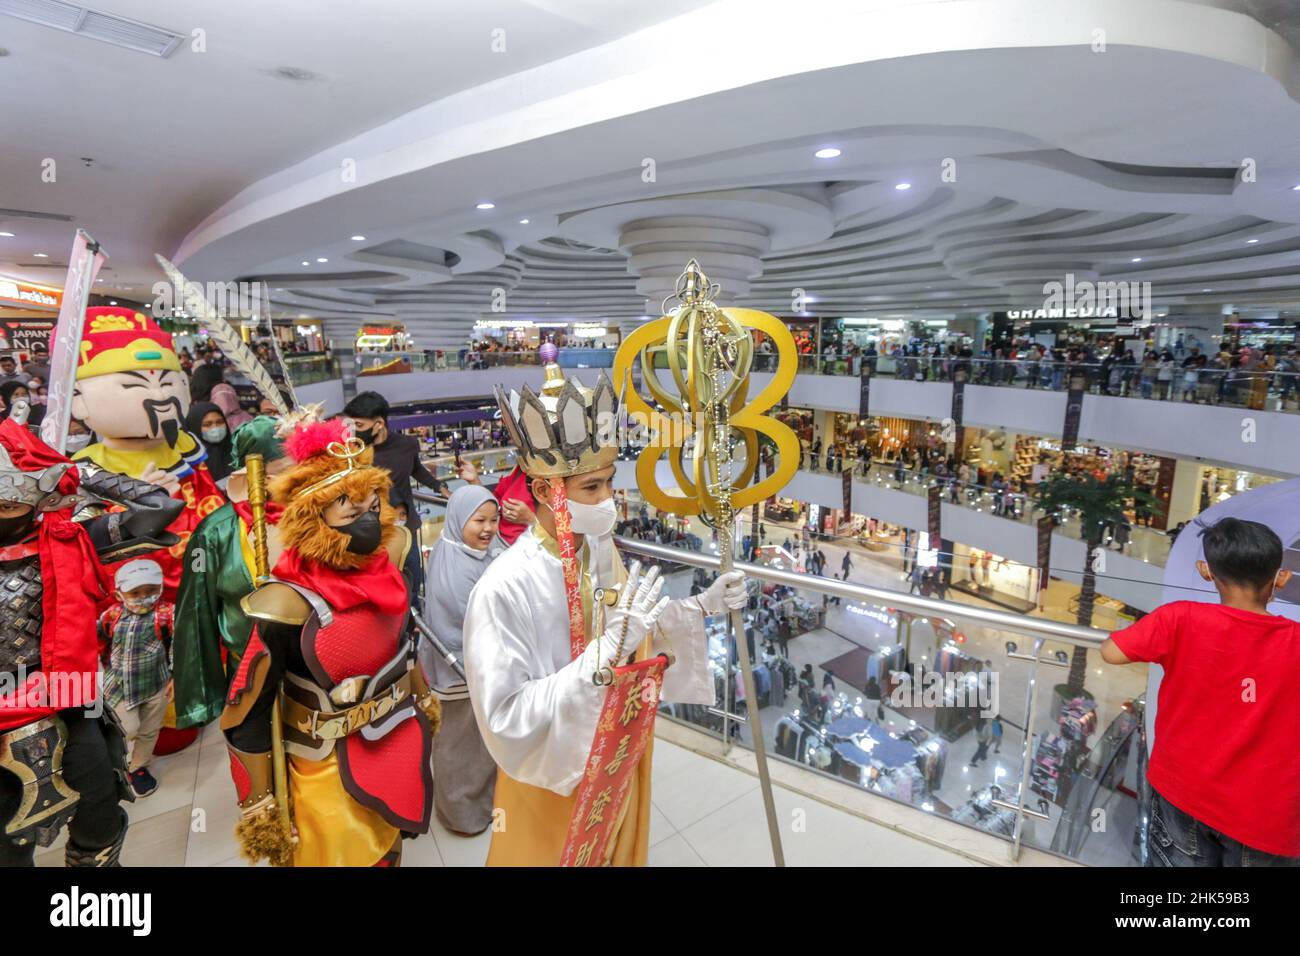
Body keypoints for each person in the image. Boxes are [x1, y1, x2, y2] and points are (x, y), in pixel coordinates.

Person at [462, 354, 747, 865]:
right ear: (549, 494)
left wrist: (701, 606)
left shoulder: (599, 550)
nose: (609, 498)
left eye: (610, 482)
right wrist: (598, 661)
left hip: (617, 743)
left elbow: (629, 633)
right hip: (551, 773)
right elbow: (503, 717)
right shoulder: (503, 588)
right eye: (592, 488)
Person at [221, 417, 439, 867]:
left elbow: (401, 643)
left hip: (395, 737)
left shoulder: (390, 562)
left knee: (391, 844)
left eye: (370, 505)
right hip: (325, 765)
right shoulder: (288, 605)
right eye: (348, 509)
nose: (367, 519)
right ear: (313, 518)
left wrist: (420, 693)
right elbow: (248, 710)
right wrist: (260, 803)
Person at [0, 416, 182, 866]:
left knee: (99, 811)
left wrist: (78, 472)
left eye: (8, 505)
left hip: (68, 696)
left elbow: (159, 507)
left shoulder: (71, 540)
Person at [1101, 517, 1300, 866]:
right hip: (1267, 814)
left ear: (1206, 572)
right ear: (1280, 579)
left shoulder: (1179, 619)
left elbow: (1111, 651)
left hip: (1183, 791)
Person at [173, 416, 290, 730]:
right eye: (286, 472)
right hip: (251, 672)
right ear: (258, 475)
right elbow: (195, 612)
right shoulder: (213, 533)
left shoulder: (325, 517)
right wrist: (202, 697)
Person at [421, 485, 503, 835]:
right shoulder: (455, 570)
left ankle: (478, 806)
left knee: (474, 744)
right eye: (479, 520)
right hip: (458, 671)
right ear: (458, 521)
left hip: (472, 667)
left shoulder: (463, 548)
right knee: (460, 746)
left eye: (494, 519)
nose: (488, 528)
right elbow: (473, 622)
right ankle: (461, 815)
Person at [343, 391, 477, 544]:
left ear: (379, 424)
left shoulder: (407, 444)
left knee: (412, 567)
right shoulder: (354, 452)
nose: (354, 431)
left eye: (359, 425)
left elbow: (415, 469)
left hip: (405, 527)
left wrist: (439, 487)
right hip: (373, 533)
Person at [98, 559, 174, 798]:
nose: (144, 597)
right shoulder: (111, 615)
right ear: (120, 594)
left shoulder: (167, 614)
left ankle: (137, 767)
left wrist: (176, 675)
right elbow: (100, 641)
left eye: (150, 591)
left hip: (156, 685)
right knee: (126, 728)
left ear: (160, 588)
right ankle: (117, 761)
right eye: (135, 592)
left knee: (150, 730)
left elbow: (179, 645)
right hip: (119, 686)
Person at [185, 401, 234, 487]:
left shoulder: (236, 450)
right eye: (207, 424)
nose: (215, 428)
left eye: (219, 422)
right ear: (195, 427)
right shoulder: (190, 459)